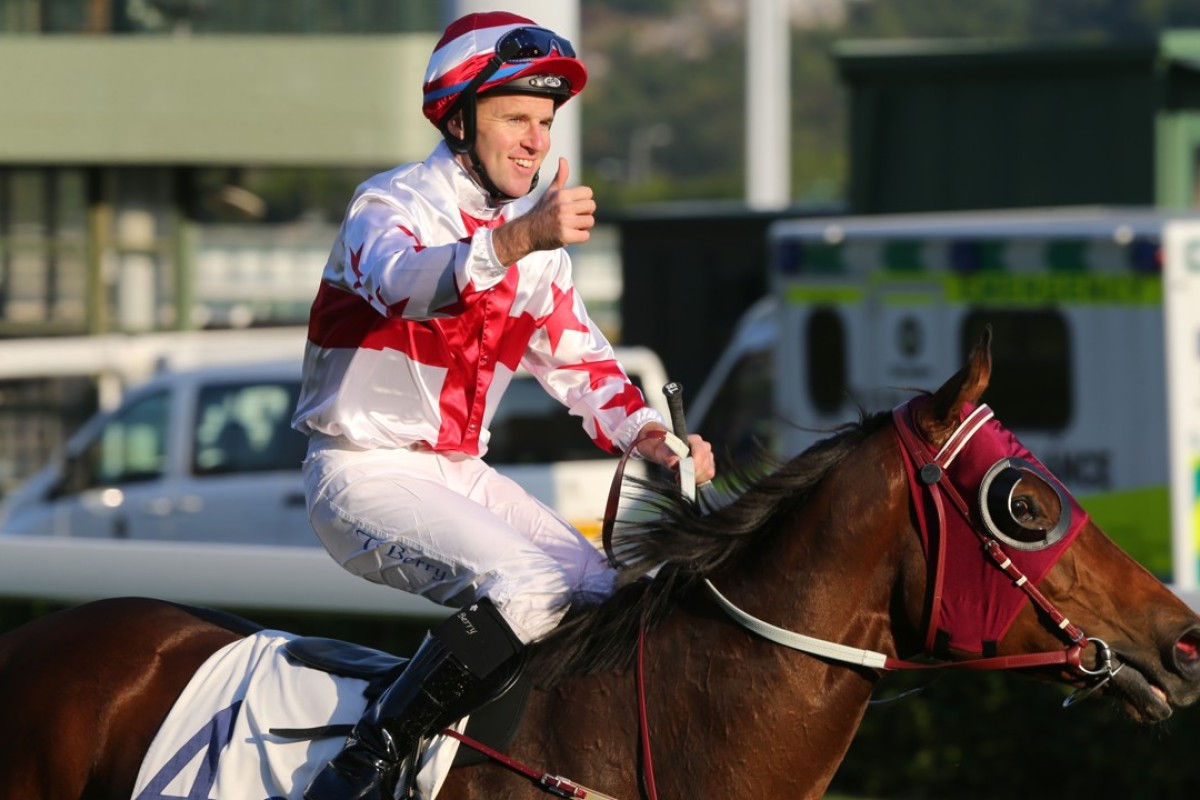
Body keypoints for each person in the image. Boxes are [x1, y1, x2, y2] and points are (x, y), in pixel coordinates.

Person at [291, 11, 715, 800]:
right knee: (524, 587)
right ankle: (370, 758)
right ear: (457, 118)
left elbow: (583, 363)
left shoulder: (528, 245)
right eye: (515, 118)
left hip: (457, 472)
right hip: (359, 473)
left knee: (597, 594)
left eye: (546, 124)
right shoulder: (387, 207)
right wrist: (523, 239)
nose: (535, 141)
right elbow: (404, 285)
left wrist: (654, 435)